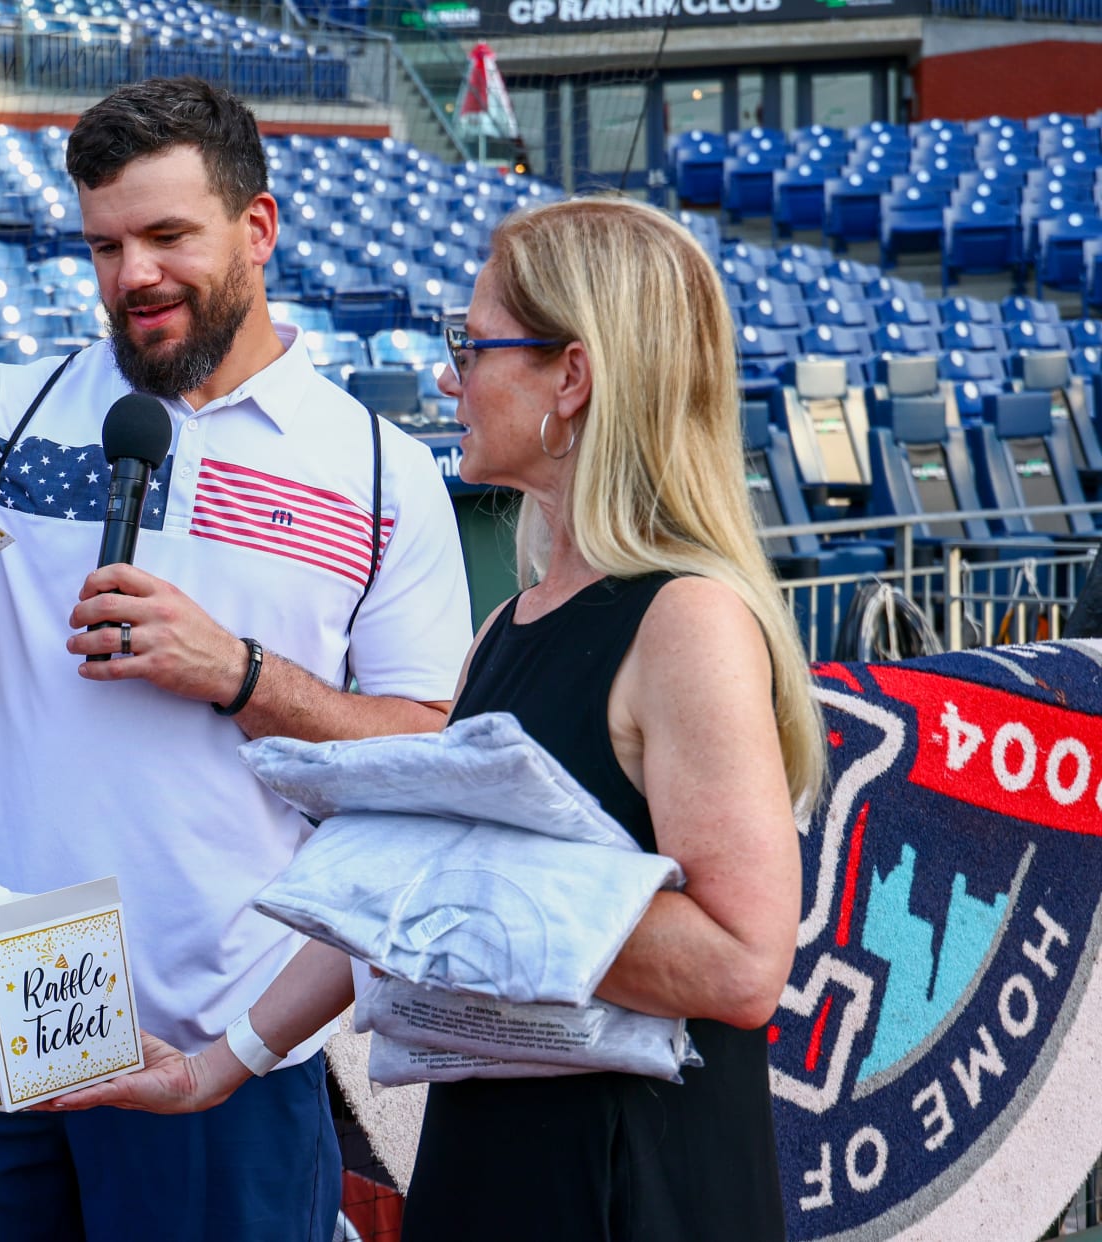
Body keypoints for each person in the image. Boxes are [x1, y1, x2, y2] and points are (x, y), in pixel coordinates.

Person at [0, 76, 473, 1241]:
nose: (131, 273)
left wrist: (242, 674)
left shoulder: (379, 468)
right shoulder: (6, 407)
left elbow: (428, 752)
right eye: (104, 245)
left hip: (212, 1021)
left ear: (258, 229)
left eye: (166, 236)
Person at [53, 197, 825, 1242]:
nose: (449, 376)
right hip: (491, 1156)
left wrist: (466, 891)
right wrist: (215, 1065)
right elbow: (405, 883)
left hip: (632, 1179)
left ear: (573, 376)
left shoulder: (687, 618)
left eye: (472, 343)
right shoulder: (508, 622)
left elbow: (740, 964)